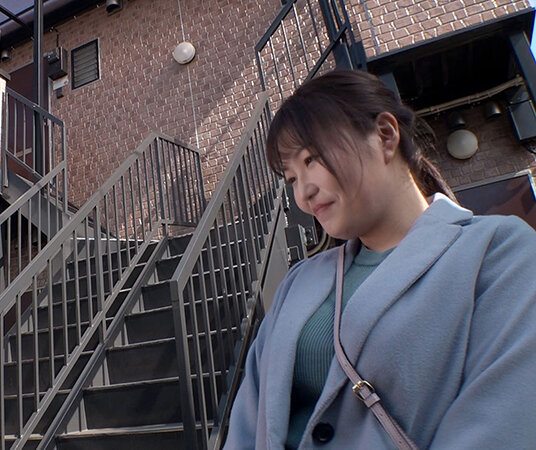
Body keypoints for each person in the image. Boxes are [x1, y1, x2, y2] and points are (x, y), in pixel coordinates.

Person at [224, 70, 536, 449]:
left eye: (312, 159)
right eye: (291, 178)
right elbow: (246, 419)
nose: (303, 194)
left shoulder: (499, 253)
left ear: (386, 136)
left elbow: (502, 422)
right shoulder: (298, 281)